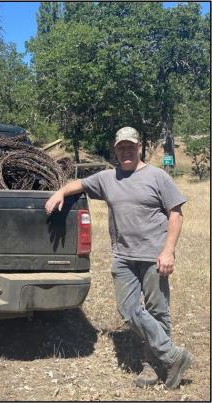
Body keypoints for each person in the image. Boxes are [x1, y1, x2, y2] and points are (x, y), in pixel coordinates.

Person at [45, 126, 192, 390]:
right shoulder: (108, 178)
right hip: (123, 257)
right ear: (115, 150)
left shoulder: (157, 177)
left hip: (154, 256)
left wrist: (168, 250)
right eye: (121, 147)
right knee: (128, 310)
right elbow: (80, 184)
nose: (126, 150)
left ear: (139, 148)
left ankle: (154, 365)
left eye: (130, 146)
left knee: (157, 311)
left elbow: (176, 214)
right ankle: (172, 355)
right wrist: (60, 192)